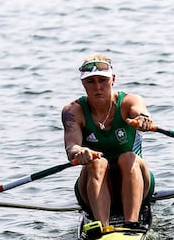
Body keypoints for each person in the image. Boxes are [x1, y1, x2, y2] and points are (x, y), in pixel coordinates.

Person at [62, 53, 157, 228]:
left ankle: (132, 223)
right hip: (92, 185)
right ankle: (102, 227)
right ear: (83, 84)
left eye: (103, 80)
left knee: (127, 157)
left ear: (113, 79)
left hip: (137, 181)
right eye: (91, 81)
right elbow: (71, 145)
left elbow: (140, 110)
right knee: (98, 162)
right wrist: (79, 152)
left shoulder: (129, 101)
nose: (97, 87)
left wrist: (143, 119)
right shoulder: (73, 111)